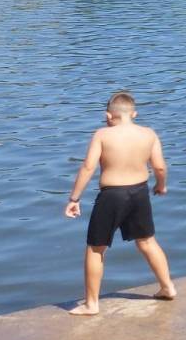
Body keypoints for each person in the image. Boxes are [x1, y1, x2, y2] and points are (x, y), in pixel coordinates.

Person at [64, 91, 177, 316]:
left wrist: (74, 199)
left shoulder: (102, 134)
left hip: (112, 195)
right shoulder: (149, 134)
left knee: (96, 248)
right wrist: (161, 185)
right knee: (147, 241)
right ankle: (167, 287)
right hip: (140, 192)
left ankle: (91, 304)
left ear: (108, 115)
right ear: (134, 114)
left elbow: (88, 167)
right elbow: (159, 166)